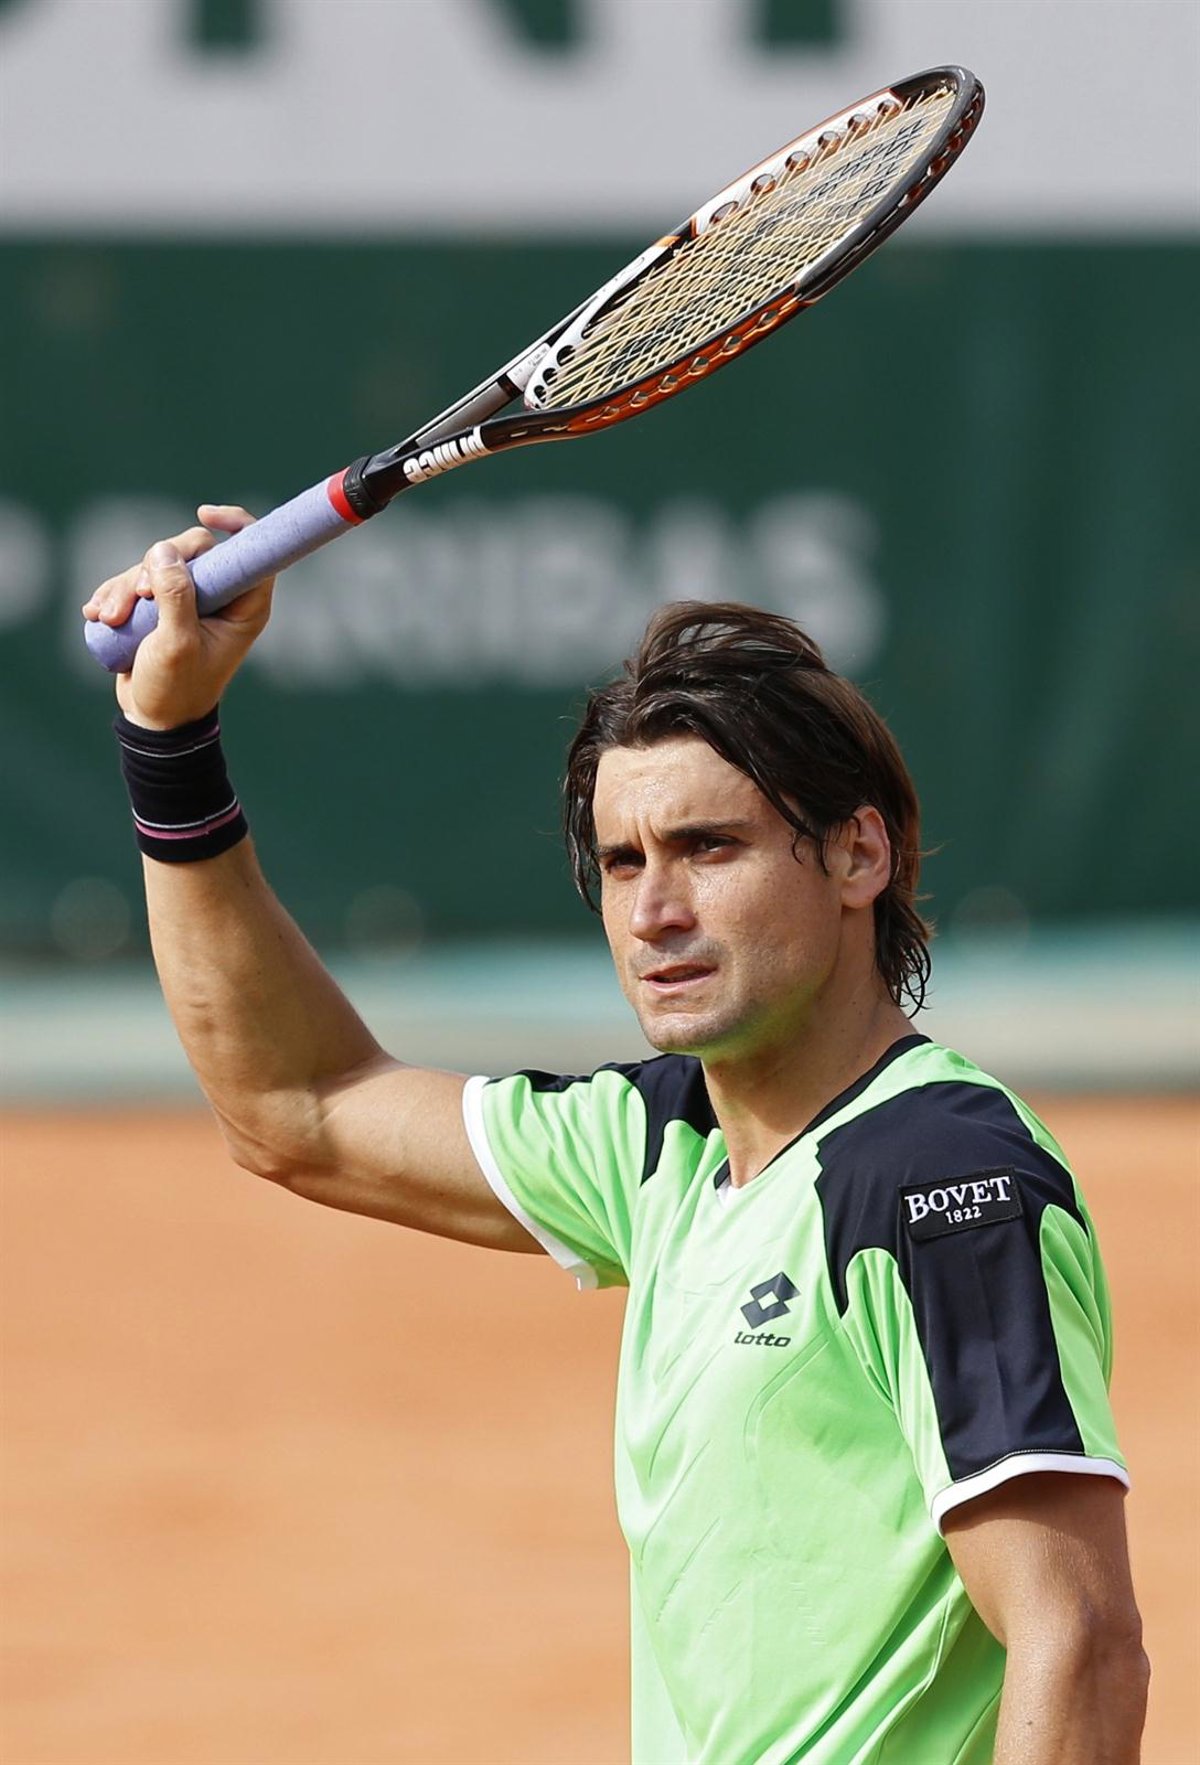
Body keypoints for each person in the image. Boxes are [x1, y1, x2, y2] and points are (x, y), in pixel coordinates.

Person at [84, 507, 1149, 1765]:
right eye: (624, 860)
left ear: (859, 853)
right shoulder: (660, 1146)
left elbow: (1078, 1638)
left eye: (709, 847)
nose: (654, 911)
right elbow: (297, 1106)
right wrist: (171, 740)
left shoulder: (936, 1179)